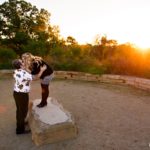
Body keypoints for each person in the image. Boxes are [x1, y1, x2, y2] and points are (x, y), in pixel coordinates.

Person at [12, 59, 46, 134]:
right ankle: (20, 130)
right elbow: (36, 78)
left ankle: (21, 123)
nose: (24, 62)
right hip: (22, 94)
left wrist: (26, 67)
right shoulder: (23, 73)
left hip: (16, 93)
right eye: (22, 62)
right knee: (23, 111)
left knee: (19, 110)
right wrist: (42, 70)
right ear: (21, 65)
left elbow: (29, 73)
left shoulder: (15, 71)